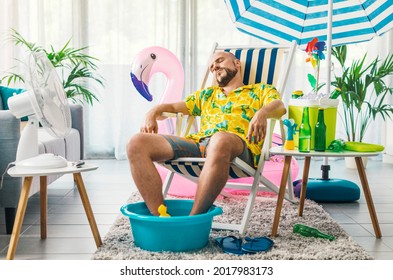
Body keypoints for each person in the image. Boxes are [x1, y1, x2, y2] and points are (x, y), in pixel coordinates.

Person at [126, 51, 286, 216]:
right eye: (211, 67)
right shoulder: (207, 95)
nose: (215, 67)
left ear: (237, 63)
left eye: (220, 61)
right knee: (136, 143)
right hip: (200, 144)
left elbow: (280, 106)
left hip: (239, 148)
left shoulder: (260, 90)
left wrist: (262, 113)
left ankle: (193, 219)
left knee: (220, 139)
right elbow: (173, 108)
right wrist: (151, 113)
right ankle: (160, 217)